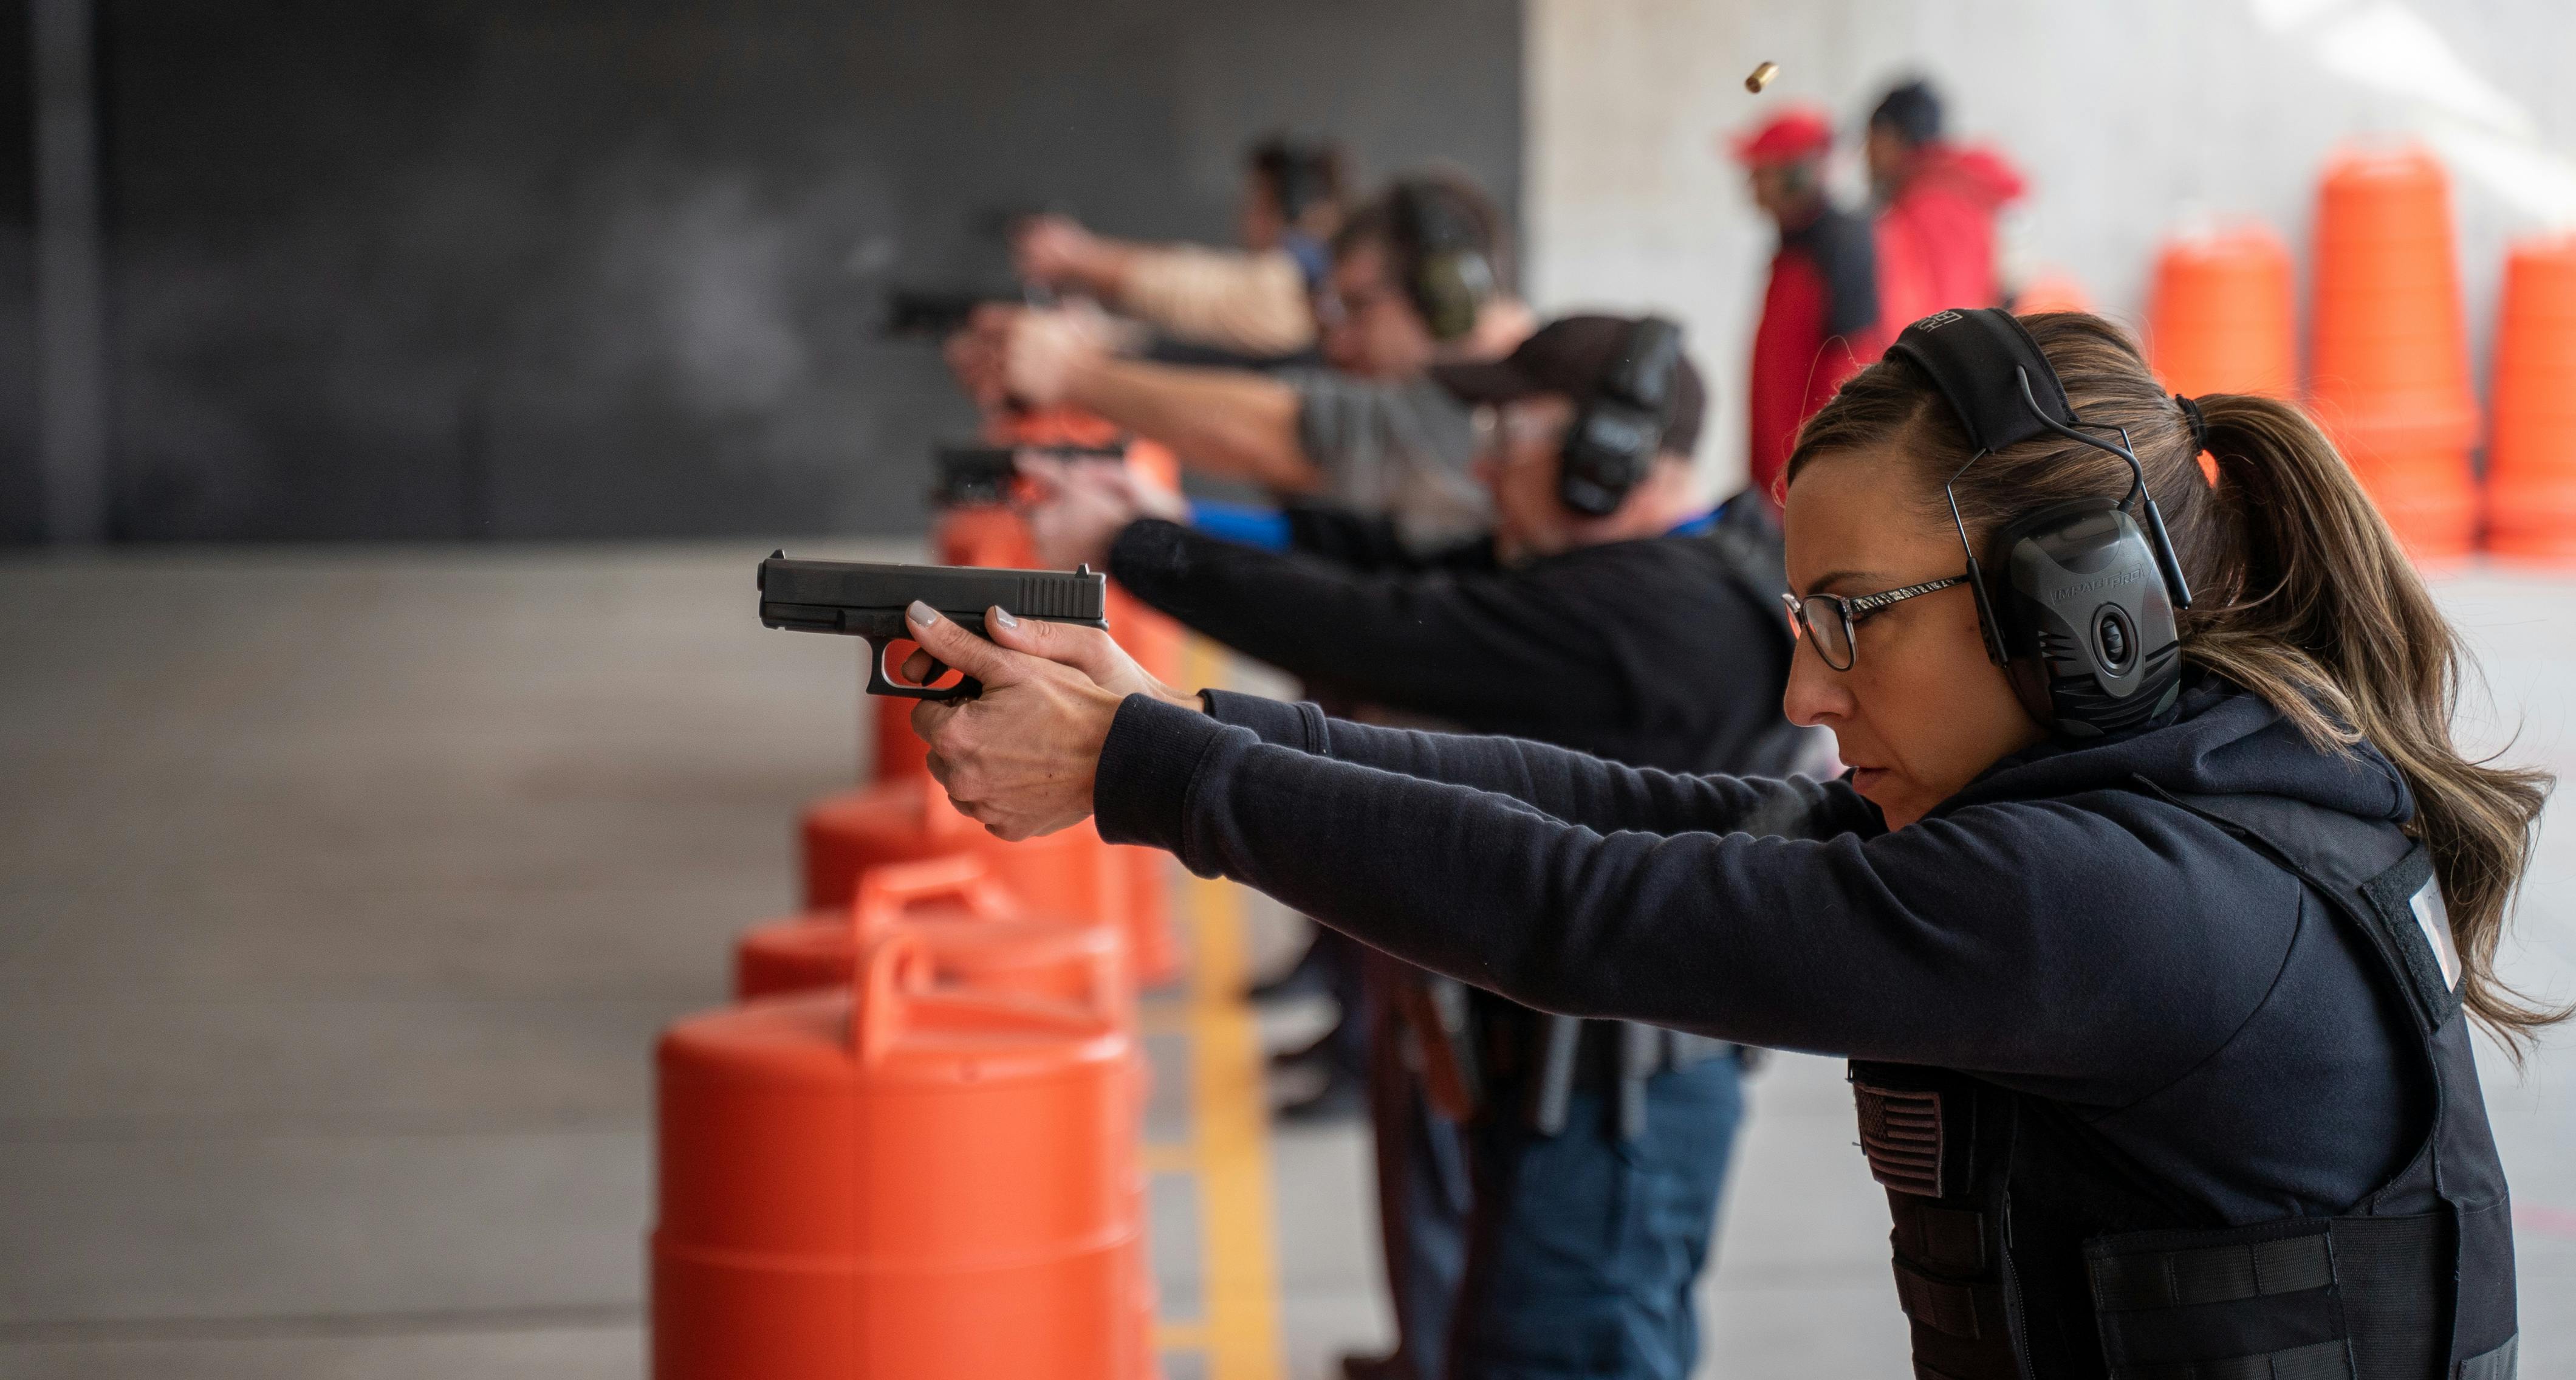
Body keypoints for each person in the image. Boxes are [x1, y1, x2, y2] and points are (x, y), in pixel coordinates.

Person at [895, 308, 2544, 1378]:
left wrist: (1154, 772)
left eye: (1854, 617)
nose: (1807, 682)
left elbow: (1595, 908)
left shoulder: (2117, 899)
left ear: (2081, 619)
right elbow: (1669, 816)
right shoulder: (2165, 808)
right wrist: (1174, 731)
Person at [1018, 315, 1820, 1379]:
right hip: (1573, 1080)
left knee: (1555, 1352)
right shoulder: (1689, 555)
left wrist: (1136, 552)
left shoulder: (1648, 617)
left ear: (1609, 459)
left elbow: (1385, 626)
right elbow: (1387, 566)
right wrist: (1161, 526)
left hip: (1607, 1110)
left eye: (1516, 430)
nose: (1485, 460)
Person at [957, 174, 1534, 554]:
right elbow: (1330, 543)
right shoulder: (1480, 400)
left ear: (1446, 298)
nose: (1341, 342)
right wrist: (1181, 515)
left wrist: (1074, 371)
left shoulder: (1487, 412)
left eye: (1358, 307)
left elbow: (1290, 431)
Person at [1012, 136, 1346, 359]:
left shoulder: (1295, 281)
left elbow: (1191, 290)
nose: (1242, 219)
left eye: (1254, 205)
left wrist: (1076, 257)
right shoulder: (1306, 275)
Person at [1728, 106, 1911, 507]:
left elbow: (1850, 372)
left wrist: (1812, 483)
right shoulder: (1793, 249)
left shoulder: (1841, 247)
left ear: (1799, 175)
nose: (1752, 185)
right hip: (1781, 486)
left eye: (1762, 172)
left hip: (1812, 489)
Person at [1866, 79, 2026, 312]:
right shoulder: (1952, 189)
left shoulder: (1933, 206)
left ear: (1891, 139)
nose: (1867, 156)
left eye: (1871, 141)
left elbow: (1945, 314)